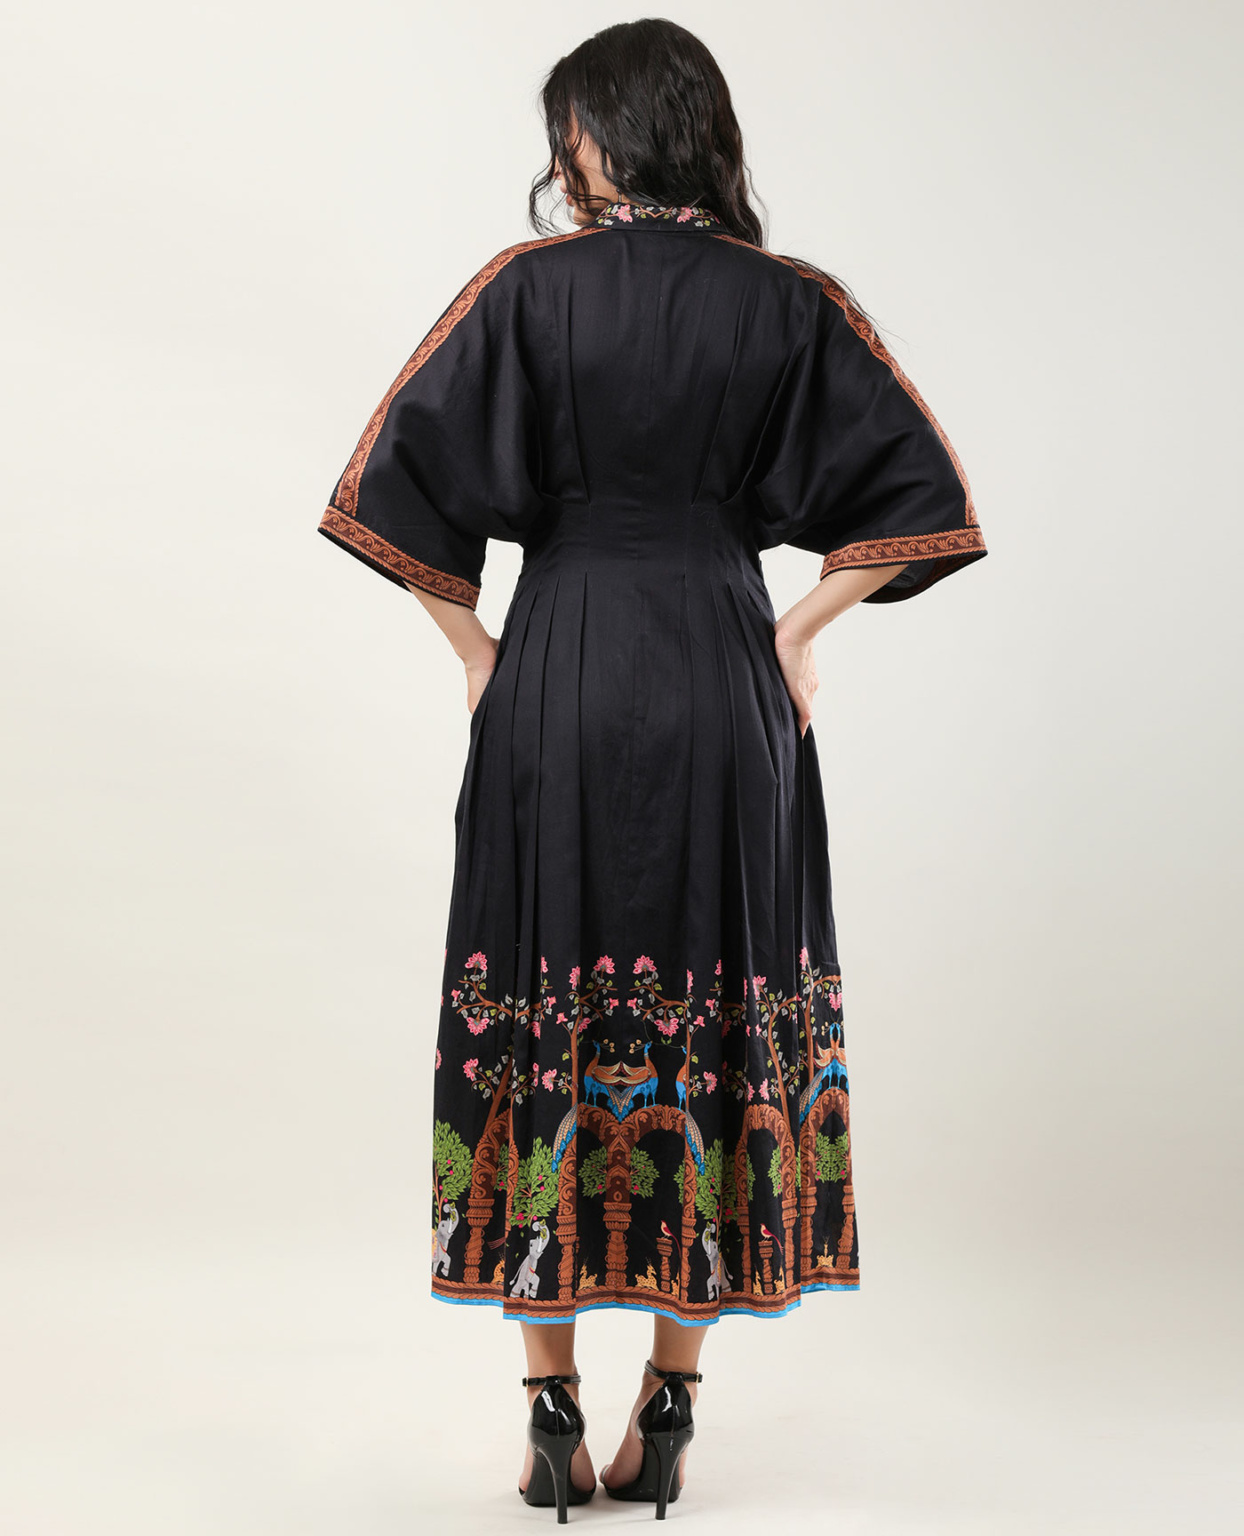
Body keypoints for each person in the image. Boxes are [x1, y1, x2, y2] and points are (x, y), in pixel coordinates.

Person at [318, 17, 987, 1522]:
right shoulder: (790, 303)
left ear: (593, 139)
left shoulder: (523, 290)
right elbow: (925, 496)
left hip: (557, 668)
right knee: (719, 995)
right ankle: (672, 1402)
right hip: (717, 669)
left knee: (541, 985)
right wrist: (795, 631)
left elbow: (387, 484)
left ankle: (549, 1409)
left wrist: (479, 654)